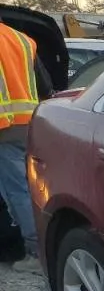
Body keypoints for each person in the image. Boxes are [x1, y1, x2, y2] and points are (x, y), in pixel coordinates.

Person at [0, 20, 52, 275]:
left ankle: (36, 252)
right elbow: (45, 86)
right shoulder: (22, 39)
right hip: (30, 122)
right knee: (32, 186)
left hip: (3, 127)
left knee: (16, 191)